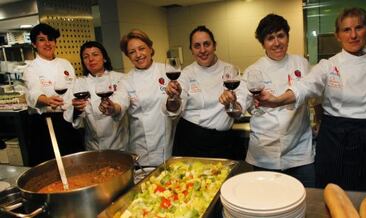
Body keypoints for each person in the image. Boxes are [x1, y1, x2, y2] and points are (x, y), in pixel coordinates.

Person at [256, 8, 366, 191]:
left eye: (358, 28)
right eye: (346, 30)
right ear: (337, 35)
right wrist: (279, 99)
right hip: (335, 138)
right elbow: (306, 86)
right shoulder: (328, 65)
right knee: (331, 193)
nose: (353, 35)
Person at [219, 14, 315, 187]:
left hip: (300, 153)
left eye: (281, 35)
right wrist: (230, 103)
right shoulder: (253, 71)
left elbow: (314, 95)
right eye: (270, 38)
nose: (277, 43)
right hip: (265, 156)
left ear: (288, 37)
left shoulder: (301, 64)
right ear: (263, 43)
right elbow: (238, 108)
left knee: (305, 204)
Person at [99, 30, 174, 166]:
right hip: (142, 149)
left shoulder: (167, 70)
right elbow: (119, 102)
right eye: (132, 52)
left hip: (169, 144)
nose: (138, 55)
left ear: (150, 49)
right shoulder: (127, 80)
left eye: (142, 49)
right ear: (128, 56)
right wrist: (111, 107)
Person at [165, 25, 237, 159]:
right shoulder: (186, 73)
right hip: (191, 140)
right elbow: (175, 108)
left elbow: (238, 106)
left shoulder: (230, 70)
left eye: (206, 44)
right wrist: (173, 97)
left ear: (214, 46)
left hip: (223, 141)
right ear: (191, 50)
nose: (202, 50)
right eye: (197, 46)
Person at [23, 23, 83, 166]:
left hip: (68, 121)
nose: (47, 43)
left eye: (50, 39)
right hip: (46, 123)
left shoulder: (65, 64)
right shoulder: (31, 68)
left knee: (75, 165)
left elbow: (74, 89)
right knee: (49, 168)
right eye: (42, 39)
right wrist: (47, 100)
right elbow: (33, 93)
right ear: (34, 44)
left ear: (55, 42)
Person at [63, 41, 129, 151]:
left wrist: (112, 108)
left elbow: (123, 103)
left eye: (95, 54)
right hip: (94, 146)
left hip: (120, 144)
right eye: (86, 56)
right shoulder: (78, 83)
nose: (91, 59)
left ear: (104, 58)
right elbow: (68, 113)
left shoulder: (120, 78)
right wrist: (77, 109)